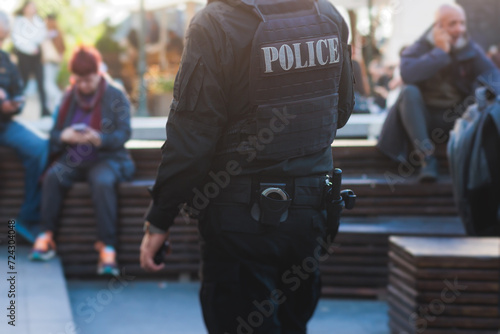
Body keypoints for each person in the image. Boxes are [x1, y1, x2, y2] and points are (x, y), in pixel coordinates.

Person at [140, 0, 355, 333]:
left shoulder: (214, 24)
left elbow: (192, 139)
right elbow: (341, 111)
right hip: (310, 215)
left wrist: (159, 219)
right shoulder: (326, 14)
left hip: (239, 221)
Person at [30, 46, 135, 277]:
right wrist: (64, 136)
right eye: (79, 80)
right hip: (75, 157)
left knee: (102, 182)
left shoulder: (115, 95)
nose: (84, 85)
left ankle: (107, 248)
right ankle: (46, 235)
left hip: (108, 158)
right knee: (53, 176)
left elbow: (124, 133)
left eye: (88, 80)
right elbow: (55, 135)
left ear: (99, 73)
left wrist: (100, 139)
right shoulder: (68, 97)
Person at [377, 4, 500, 183]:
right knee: (408, 92)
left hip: (457, 120)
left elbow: (495, 78)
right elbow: (407, 73)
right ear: (438, 27)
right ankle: (427, 160)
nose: (460, 29)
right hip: (421, 123)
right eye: (453, 24)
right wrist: (440, 53)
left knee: (480, 91)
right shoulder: (420, 47)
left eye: (462, 23)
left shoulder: (470, 49)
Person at [0, 11, 48, 243]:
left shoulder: (7, 60)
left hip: (5, 124)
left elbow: (19, 93)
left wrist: (12, 105)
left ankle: (27, 218)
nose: (6, 30)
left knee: (41, 147)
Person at [12, 1, 50, 117]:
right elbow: (18, 40)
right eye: (30, 7)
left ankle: (44, 109)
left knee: (41, 82)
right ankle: (16, 107)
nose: (33, 9)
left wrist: (35, 48)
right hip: (24, 55)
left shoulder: (38, 21)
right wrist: (30, 49)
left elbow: (42, 35)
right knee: (23, 82)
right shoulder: (19, 21)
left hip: (36, 55)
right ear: (25, 8)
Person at [42, 13, 65, 113]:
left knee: (48, 84)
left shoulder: (50, 33)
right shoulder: (57, 32)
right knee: (50, 83)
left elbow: (61, 48)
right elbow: (63, 49)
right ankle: (52, 108)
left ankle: (60, 97)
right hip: (54, 62)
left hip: (50, 62)